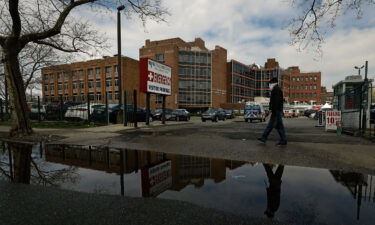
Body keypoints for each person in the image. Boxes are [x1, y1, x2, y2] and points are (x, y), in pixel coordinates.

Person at [257, 77, 287, 146]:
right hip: (276, 110)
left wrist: (273, 110)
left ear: (273, 83)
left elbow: (275, 101)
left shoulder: (276, 90)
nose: (269, 85)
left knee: (278, 126)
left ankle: (283, 140)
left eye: (270, 83)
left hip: (276, 111)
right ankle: (264, 137)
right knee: (272, 125)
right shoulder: (277, 89)